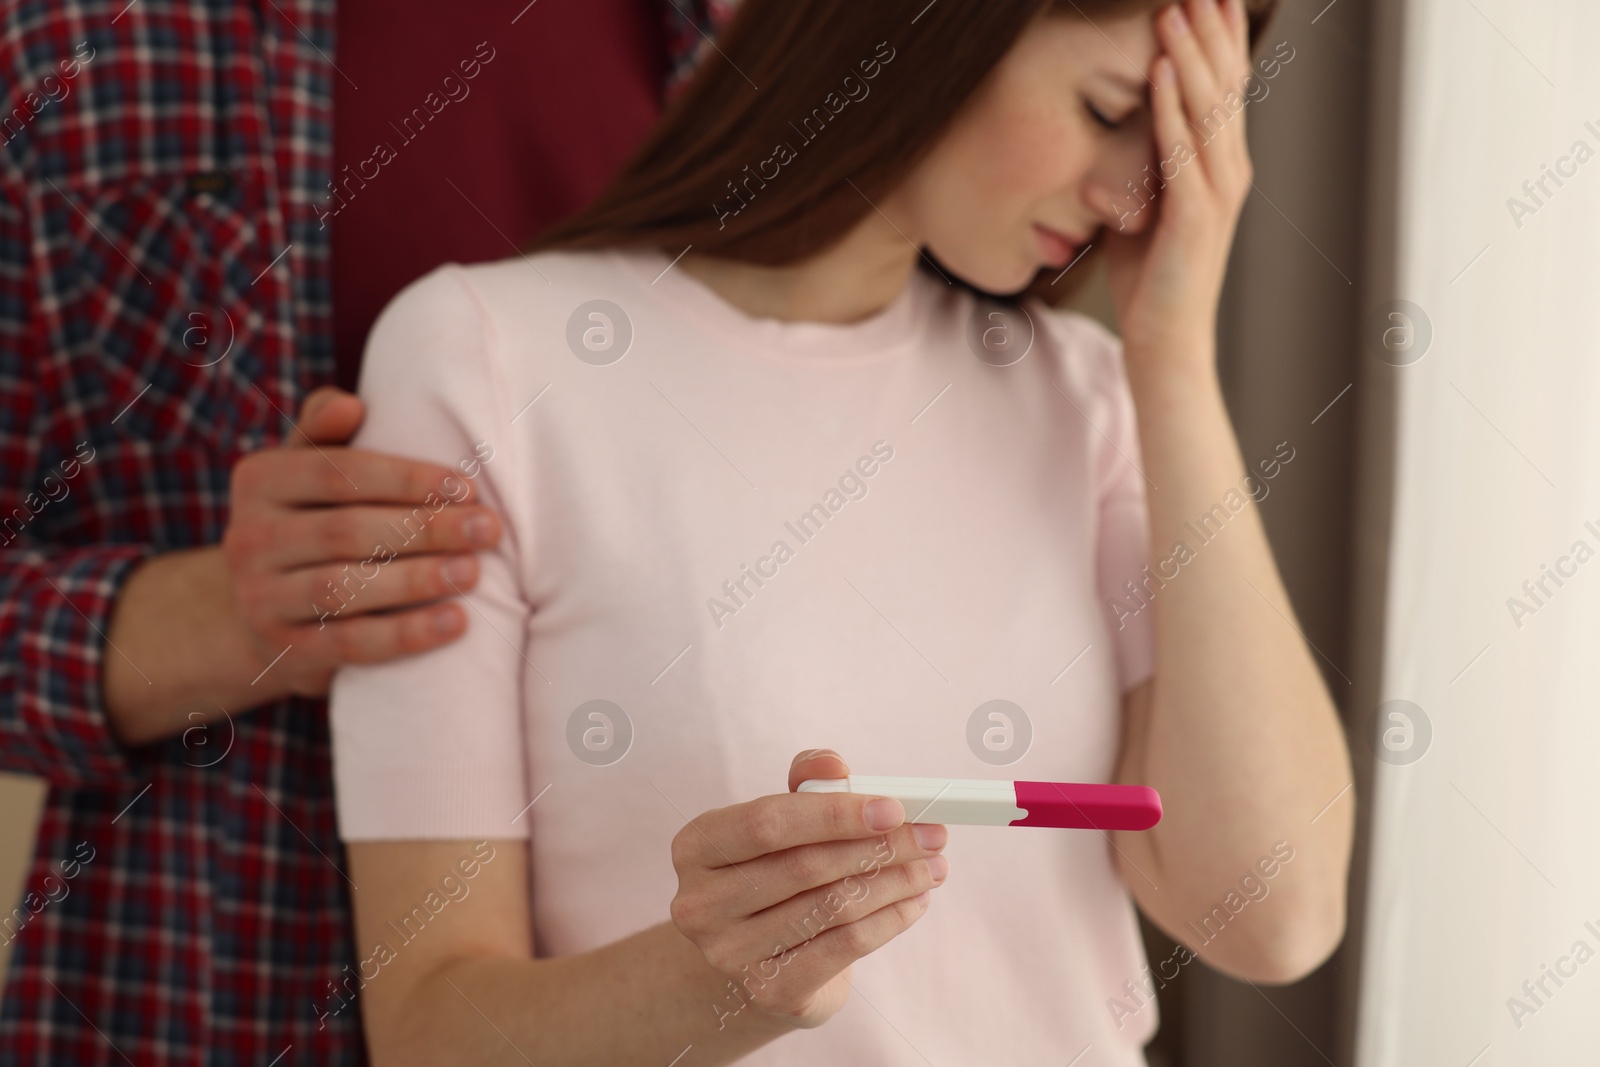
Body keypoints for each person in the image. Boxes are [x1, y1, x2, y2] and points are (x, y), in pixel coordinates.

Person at [329, 0, 1357, 1063]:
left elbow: (1274, 914)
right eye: (1105, 109)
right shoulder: (485, 359)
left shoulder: (1090, 397)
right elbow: (432, 1027)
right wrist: (720, 982)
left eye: (1179, 137)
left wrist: (1173, 353)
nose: (1130, 193)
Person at [0, 1, 723, 1061]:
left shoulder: (780, 44)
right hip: (215, 986)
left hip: (688, 968)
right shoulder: (77, 38)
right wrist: (222, 617)